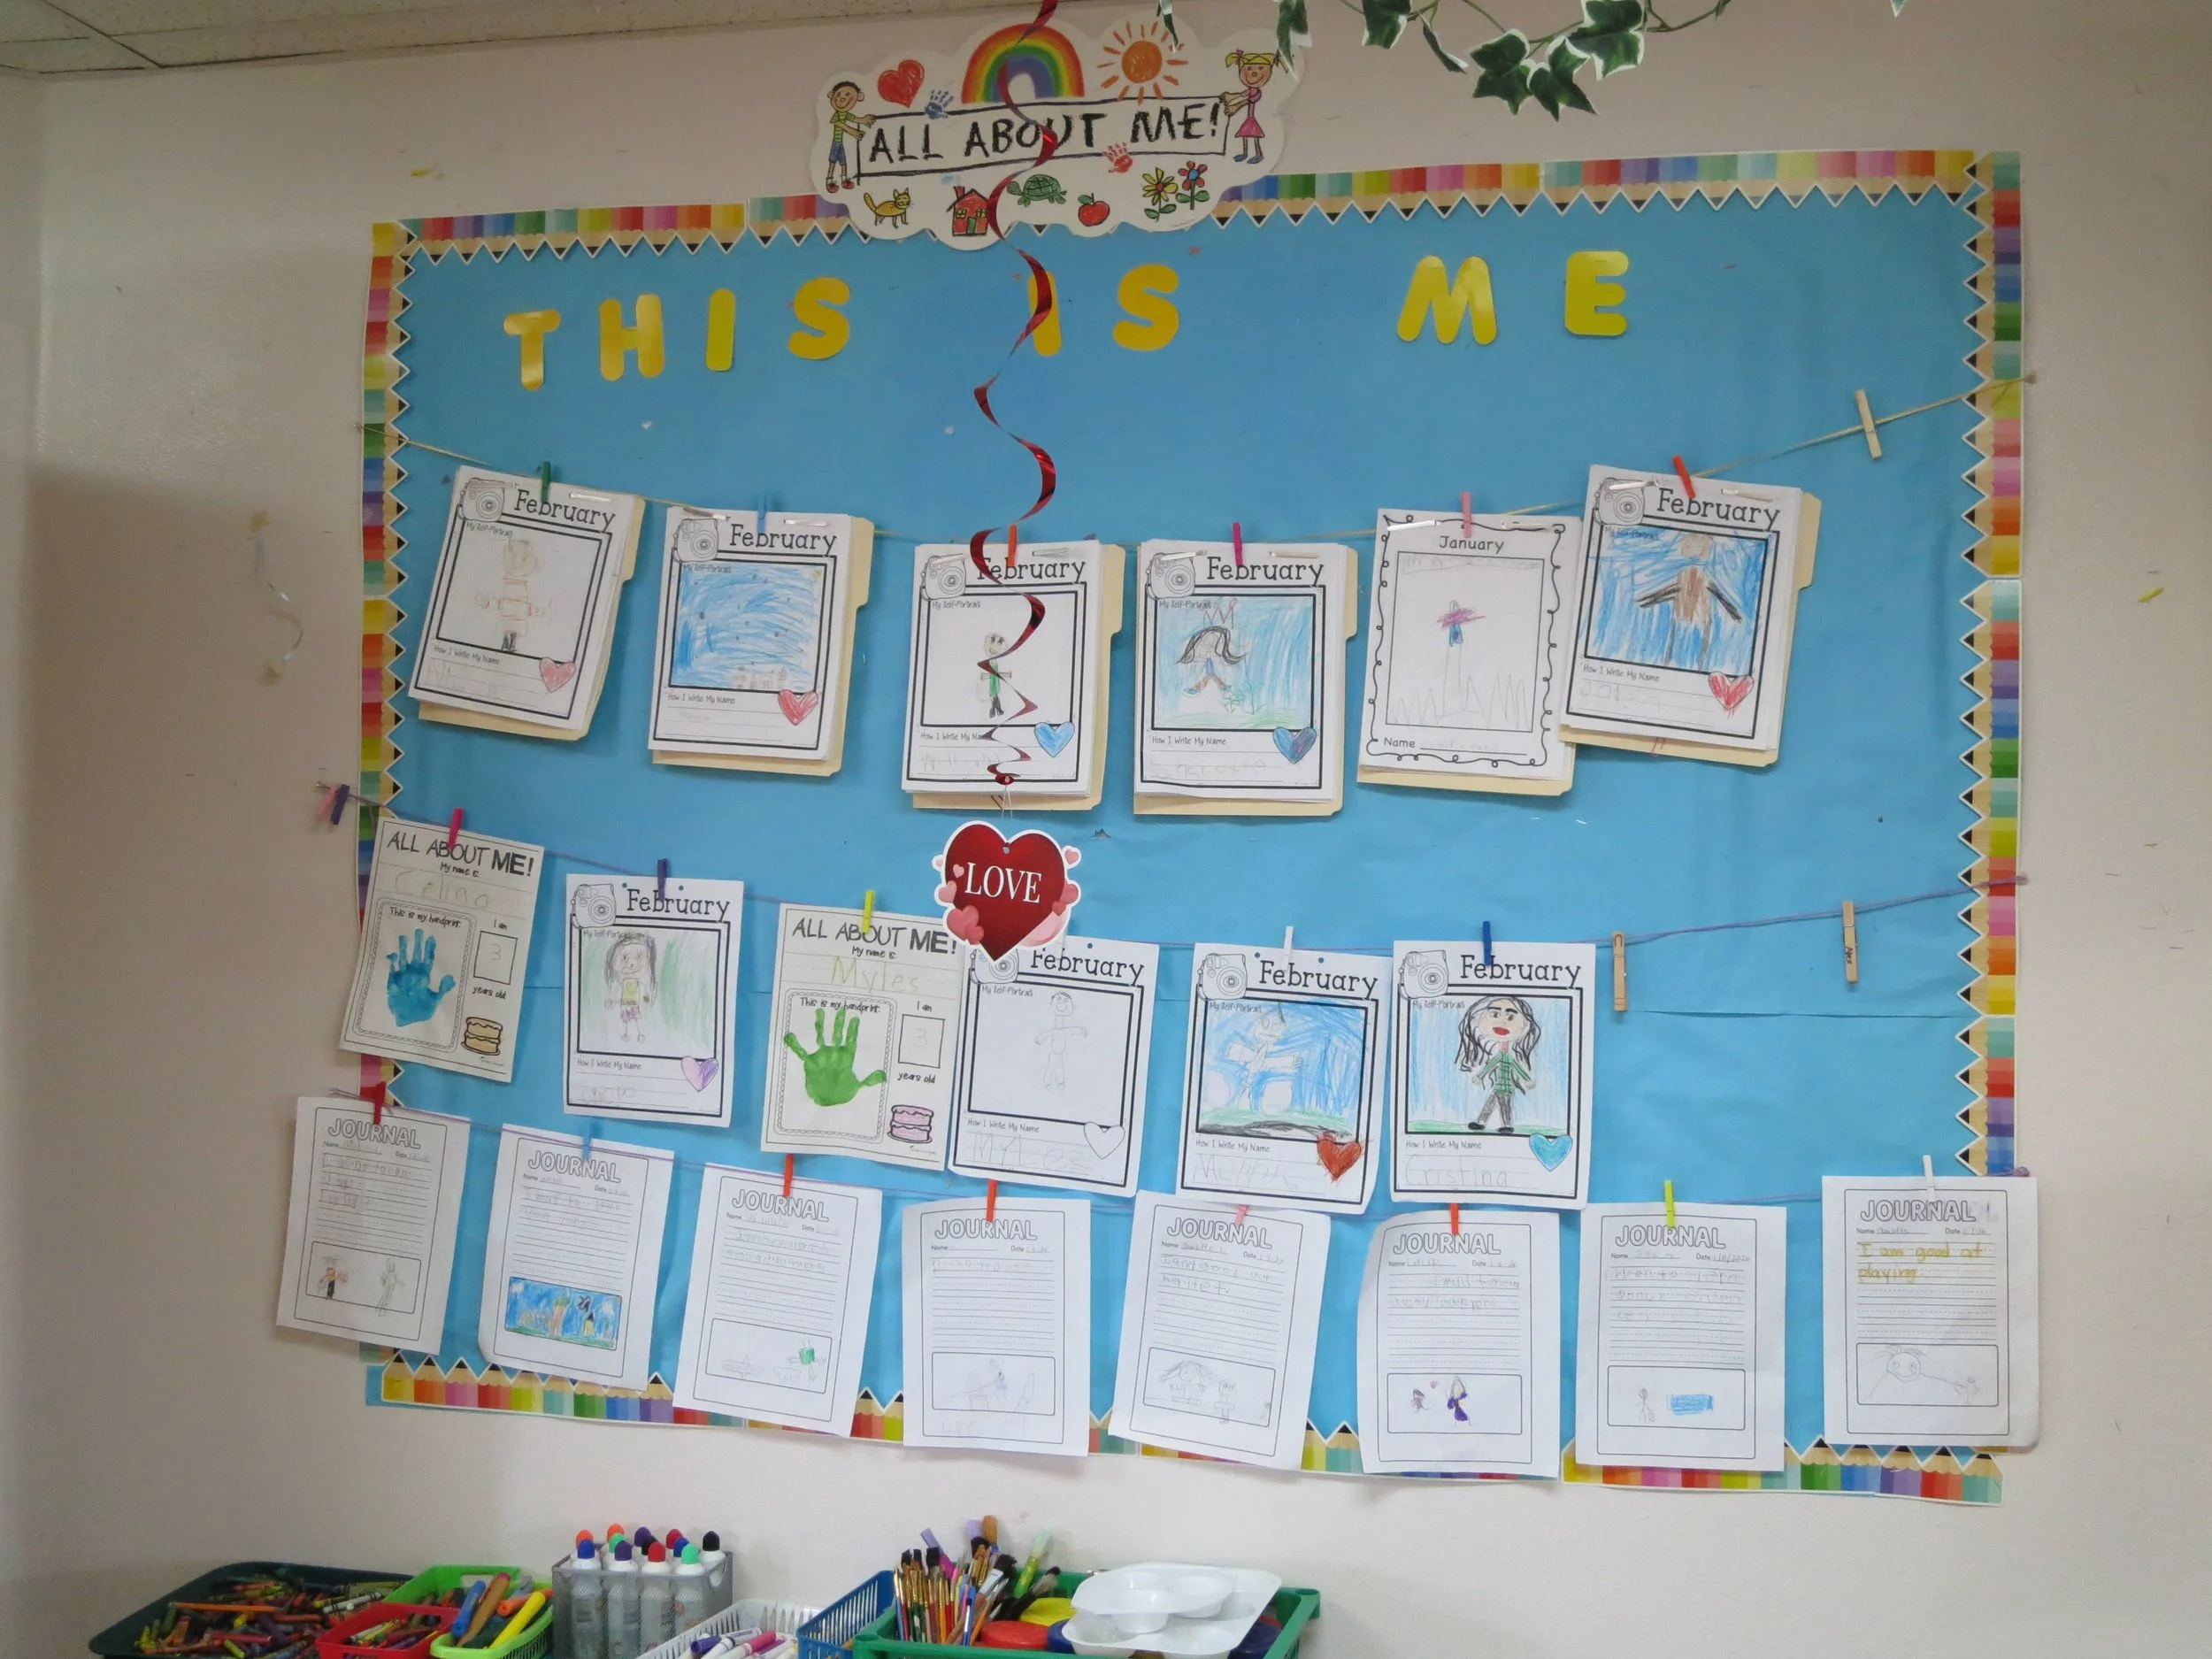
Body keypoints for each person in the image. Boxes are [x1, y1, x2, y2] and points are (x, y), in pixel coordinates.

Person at [1455, 994, 1540, 1132]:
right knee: (1489, 1105)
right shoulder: (1499, 1056)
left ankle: (1507, 1126)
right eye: (1494, 1014)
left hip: (1506, 1088)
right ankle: (1481, 1123)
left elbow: (1518, 1070)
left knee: (1505, 1106)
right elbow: (1489, 1067)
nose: (1502, 1022)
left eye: (1511, 1017)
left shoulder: (1509, 1058)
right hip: (1498, 1087)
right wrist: (1479, 1076)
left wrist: (1527, 1080)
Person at [1219, 51, 1279, 165]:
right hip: (1248, 118)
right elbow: (1242, 94)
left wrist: (1235, 107)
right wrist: (1231, 97)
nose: (1254, 72)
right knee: (1245, 136)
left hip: (1251, 119)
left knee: (1254, 136)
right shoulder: (1250, 90)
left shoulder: (1258, 93)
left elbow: (1247, 101)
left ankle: (1259, 154)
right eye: (1249, 68)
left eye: (1261, 68)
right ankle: (1245, 153)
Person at [604, 932, 657, 1044]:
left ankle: (640, 1033)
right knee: (626, 1021)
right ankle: (626, 1033)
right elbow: (617, 994)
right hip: (625, 1005)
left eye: (639, 957)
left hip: (634, 1005)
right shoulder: (621, 984)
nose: (631, 964)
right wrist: (613, 1001)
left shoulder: (638, 984)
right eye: (624, 958)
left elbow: (643, 992)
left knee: (637, 1019)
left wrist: (646, 998)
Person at [824, 81, 876, 194]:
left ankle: (844, 180)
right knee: (833, 161)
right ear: (831, 96)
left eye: (847, 95)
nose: (842, 98)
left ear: (858, 98)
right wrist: (853, 132)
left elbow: (855, 119)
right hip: (835, 142)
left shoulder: (845, 114)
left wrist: (864, 120)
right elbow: (838, 123)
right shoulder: (837, 114)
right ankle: (829, 182)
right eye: (838, 95)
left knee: (843, 162)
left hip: (840, 142)